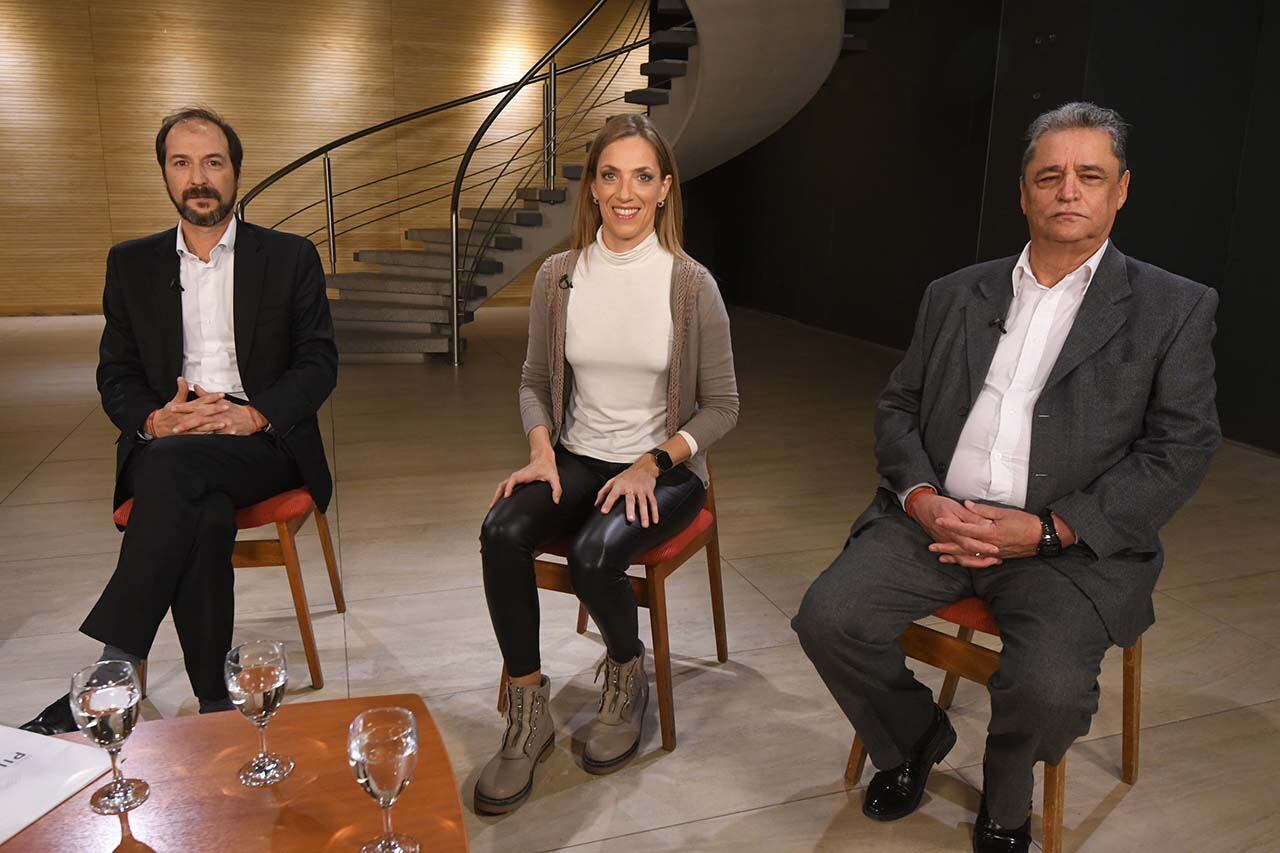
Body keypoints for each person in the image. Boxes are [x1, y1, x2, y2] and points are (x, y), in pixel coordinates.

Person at [792, 102, 1220, 853]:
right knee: (829, 617)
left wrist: (1052, 529)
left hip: (1066, 545)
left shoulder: (1174, 308)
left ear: (1121, 190)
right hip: (937, 521)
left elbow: (1180, 447)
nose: (1067, 191)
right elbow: (899, 403)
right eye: (1048, 175)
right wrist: (922, 498)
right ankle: (914, 736)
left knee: (1049, 688)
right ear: (1023, 192)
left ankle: (1007, 788)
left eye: (1089, 175)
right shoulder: (955, 293)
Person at [21, 106, 337, 734]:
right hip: (173, 440)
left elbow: (319, 363)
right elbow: (116, 374)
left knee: (171, 472)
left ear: (237, 174)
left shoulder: (289, 256)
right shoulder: (131, 263)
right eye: (182, 162)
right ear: (165, 175)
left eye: (213, 162)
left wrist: (254, 417)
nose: (199, 177)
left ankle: (115, 669)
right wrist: (154, 420)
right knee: (201, 506)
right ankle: (215, 701)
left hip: (261, 444)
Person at [473, 113, 739, 814]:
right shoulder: (559, 277)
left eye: (642, 176)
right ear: (592, 187)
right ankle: (527, 715)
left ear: (664, 190)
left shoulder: (690, 285)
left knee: (595, 555)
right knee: (501, 531)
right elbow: (534, 379)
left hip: (665, 468)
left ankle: (628, 669)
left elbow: (723, 406)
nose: (626, 192)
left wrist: (655, 460)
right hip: (578, 456)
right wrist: (539, 448)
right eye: (611, 174)